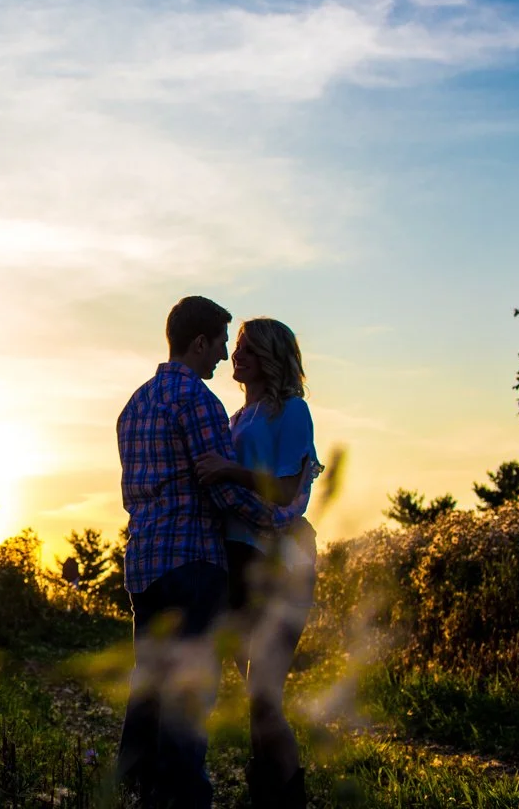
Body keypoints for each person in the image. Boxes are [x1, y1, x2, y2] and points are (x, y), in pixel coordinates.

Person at [115, 296, 285, 809]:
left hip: (144, 564)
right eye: (217, 346)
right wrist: (281, 519)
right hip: (192, 561)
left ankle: (139, 788)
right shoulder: (199, 402)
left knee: (152, 682)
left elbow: (133, 492)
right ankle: (185, 798)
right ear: (199, 342)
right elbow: (224, 491)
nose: (221, 360)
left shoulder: (135, 404)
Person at [195, 317, 319, 809]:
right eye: (237, 347)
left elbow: (287, 490)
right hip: (241, 562)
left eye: (246, 349)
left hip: (281, 564)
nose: (235, 356)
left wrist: (227, 469)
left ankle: (288, 800)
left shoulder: (291, 412)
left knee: (265, 696)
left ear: (270, 358)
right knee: (255, 695)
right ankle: (266, 793)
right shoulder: (236, 418)